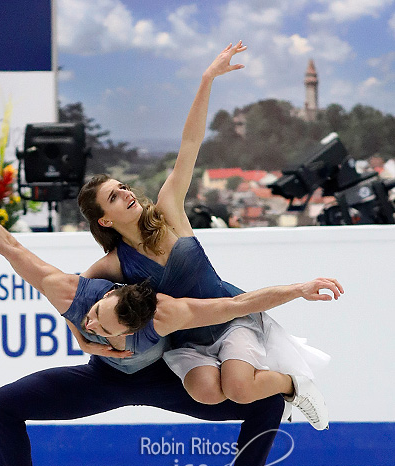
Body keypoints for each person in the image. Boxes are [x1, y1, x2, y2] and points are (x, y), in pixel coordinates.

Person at [0, 160, 341, 466]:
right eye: (93, 315)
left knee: (262, 397)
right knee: (0, 404)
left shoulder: (163, 313)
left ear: (133, 324)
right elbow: (9, 246)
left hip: (164, 380)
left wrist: (298, 289)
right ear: (108, 291)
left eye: (104, 327)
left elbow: (236, 303)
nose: (93, 324)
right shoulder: (75, 293)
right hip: (103, 381)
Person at [77, 41, 333, 432]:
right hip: (186, 342)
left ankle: (294, 384)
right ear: (104, 221)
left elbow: (190, 143)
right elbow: (68, 294)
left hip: (231, 317)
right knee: (207, 393)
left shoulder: (168, 210)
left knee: (239, 389)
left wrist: (207, 79)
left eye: (123, 187)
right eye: (114, 197)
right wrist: (82, 338)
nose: (127, 193)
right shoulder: (111, 265)